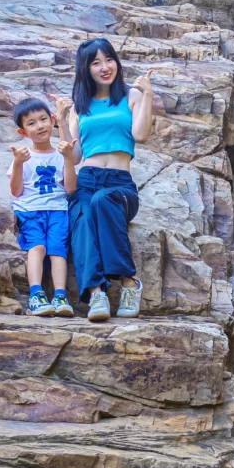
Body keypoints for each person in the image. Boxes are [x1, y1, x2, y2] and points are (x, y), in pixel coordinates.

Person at [66, 37, 155, 321]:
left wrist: (149, 95)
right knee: (81, 215)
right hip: (87, 179)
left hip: (119, 185)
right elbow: (76, 155)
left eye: (109, 60)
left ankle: (129, 282)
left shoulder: (131, 96)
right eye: (96, 63)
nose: (105, 67)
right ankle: (96, 294)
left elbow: (141, 135)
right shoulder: (79, 106)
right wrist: (60, 125)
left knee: (103, 201)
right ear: (86, 69)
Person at [8, 96, 77, 316]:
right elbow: (16, 191)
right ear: (23, 132)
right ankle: (36, 295)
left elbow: (70, 188)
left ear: (53, 120)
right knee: (37, 248)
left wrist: (67, 159)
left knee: (58, 251)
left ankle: (59, 295)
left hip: (58, 210)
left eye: (43, 119)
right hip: (30, 211)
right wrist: (18, 163)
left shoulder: (61, 153)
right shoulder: (23, 156)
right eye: (31, 123)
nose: (40, 126)